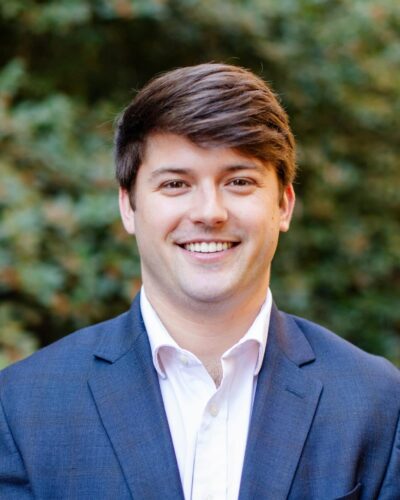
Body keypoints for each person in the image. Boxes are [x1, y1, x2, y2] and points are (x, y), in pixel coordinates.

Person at [0, 63, 399, 500]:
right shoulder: (23, 408)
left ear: (283, 205)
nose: (209, 212)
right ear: (128, 207)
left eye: (239, 181)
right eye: (176, 184)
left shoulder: (378, 403)